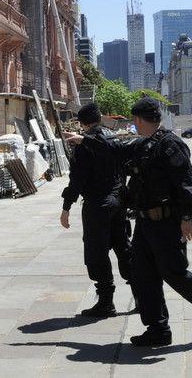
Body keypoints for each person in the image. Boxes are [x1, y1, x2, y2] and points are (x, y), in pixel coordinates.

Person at [65, 97, 192, 347]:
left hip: (165, 222)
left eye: (134, 120)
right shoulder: (145, 144)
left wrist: (187, 217)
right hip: (144, 223)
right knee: (143, 276)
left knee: (174, 272)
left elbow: (186, 182)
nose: (133, 124)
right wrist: (85, 139)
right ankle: (158, 329)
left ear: (140, 119)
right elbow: (116, 149)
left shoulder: (170, 145)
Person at [60, 102, 133, 318]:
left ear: (82, 123)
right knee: (123, 247)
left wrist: (66, 207)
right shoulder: (112, 138)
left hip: (97, 204)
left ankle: (106, 302)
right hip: (118, 201)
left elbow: (77, 180)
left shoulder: (84, 145)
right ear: (100, 118)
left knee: (96, 252)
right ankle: (141, 294)